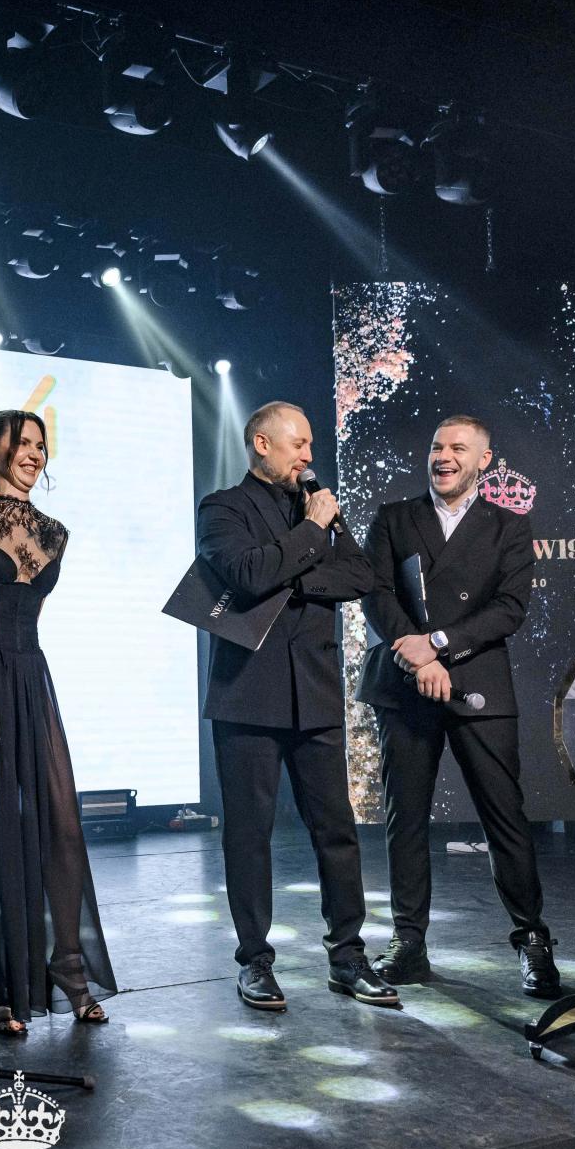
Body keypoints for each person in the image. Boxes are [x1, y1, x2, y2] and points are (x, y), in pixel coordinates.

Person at [199, 401, 398, 1012]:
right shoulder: (223, 507)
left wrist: (291, 572)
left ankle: (348, 956)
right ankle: (255, 961)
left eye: (310, 445)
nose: (308, 457)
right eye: (298, 445)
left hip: (314, 692)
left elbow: (360, 576)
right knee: (249, 834)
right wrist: (312, 537)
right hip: (247, 695)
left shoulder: (319, 505)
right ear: (262, 444)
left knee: (336, 830)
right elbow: (245, 573)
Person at [355, 414, 560, 998]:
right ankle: (408, 942)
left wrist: (440, 644)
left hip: (478, 684)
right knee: (406, 821)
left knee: (505, 817)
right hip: (405, 683)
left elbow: (510, 608)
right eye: (437, 446)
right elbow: (376, 593)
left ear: (483, 461)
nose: (444, 456)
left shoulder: (508, 526)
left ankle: (532, 938)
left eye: (458, 448)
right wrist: (417, 656)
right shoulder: (395, 517)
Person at [0, 408, 117, 1037]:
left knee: (58, 825)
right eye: (23, 443)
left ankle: (69, 971)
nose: (35, 454)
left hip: (29, 678)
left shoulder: (55, 532)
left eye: (42, 444)